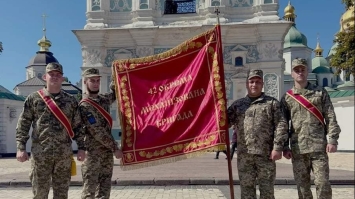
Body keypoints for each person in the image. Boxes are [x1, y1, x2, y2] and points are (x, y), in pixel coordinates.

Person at [16, 62, 86, 199]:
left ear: (62, 78)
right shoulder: (34, 98)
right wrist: (20, 147)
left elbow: (78, 126)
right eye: (51, 74)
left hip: (63, 156)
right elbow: (23, 123)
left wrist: (82, 148)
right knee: (40, 194)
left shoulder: (71, 101)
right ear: (44, 77)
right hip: (40, 155)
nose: (54, 77)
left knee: (61, 194)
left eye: (58, 75)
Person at [281, 58, 341, 199]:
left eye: (303, 69)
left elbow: (330, 116)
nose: (300, 73)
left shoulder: (320, 92)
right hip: (298, 148)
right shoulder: (287, 98)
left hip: (319, 147)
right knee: (302, 186)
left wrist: (332, 139)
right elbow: (283, 124)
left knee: (323, 183)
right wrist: (284, 146)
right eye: (297, 70)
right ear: (292, 74)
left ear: (307, 71)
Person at [227, 69, 288, 199]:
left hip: (265, 156)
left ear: (262, 84)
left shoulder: (271, 103)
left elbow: (281, 125)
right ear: (246, 84)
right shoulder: (238, 105)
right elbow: (224, 123)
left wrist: (277, 147)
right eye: (251, 81)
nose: (254, 84)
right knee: (246, 192)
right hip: (245, 156)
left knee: (267, 192)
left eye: (258, 82)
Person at [79, 68, 123, 199]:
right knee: (89, 192)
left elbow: (116, 93)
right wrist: (115, 148)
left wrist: (117, 73)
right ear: (85, 81)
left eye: (98, 80)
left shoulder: (103, 100)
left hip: (106, 154)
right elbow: (97, 131)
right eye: (92, 80)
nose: (96, 83)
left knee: (104, 191)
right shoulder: (84, 106)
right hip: (92, 154)